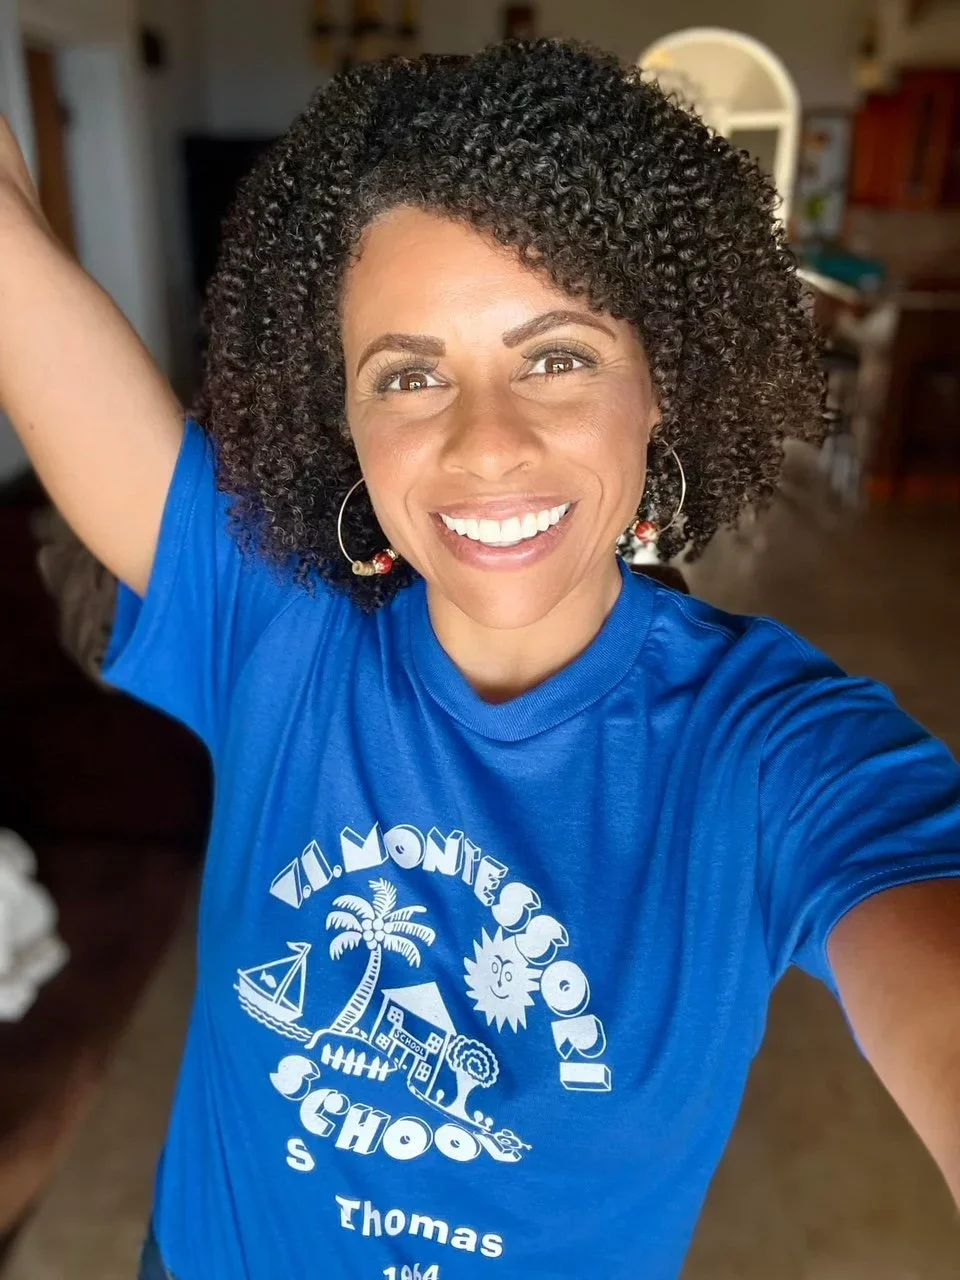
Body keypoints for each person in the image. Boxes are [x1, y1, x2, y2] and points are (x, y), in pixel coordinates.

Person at [1, 39, 958, 1280]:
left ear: (661, 383)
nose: (485, 444)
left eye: (556, 357)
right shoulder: (269, 617)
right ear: (342, 416)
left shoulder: (775, 748)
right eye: (409, 375)